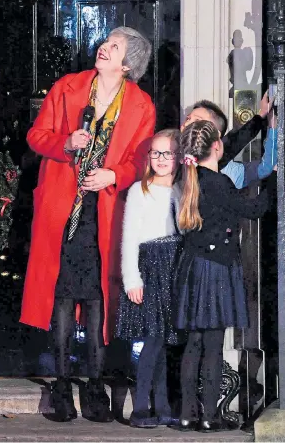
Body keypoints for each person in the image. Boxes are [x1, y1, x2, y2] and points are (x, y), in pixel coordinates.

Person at [20, 26, 155, 422]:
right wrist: (65, 143)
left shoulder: (141, 106)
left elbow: (140, 160)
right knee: (62, 297)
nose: (103, 47)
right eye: (106, 42)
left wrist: (114, 175)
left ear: (127, 65)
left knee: (96, 299)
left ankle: (93, 384)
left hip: (104, 213)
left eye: (114, 47)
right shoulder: (68, 87)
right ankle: (62, 385)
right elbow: (36, 135)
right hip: (63, 209)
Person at [171, 120, 275, 433]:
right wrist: (275, 181)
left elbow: (226, 144)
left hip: (193, 267)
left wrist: (257, 121)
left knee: (193, 344)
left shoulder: (191, 176)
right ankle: (210, 416)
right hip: (215, 269)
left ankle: (188, 414)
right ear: (216, 147)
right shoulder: (219, 184)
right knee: (213, 346)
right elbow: (255, 208)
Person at [115, 129, 183, 428]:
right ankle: (140, 407)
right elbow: (128, 237)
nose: (161, 159)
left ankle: (163, 404)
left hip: (175, 268)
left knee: (164, 340)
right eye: (156, 153)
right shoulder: (138, 191)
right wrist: (132, 278)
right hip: (150, 267)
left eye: (168, 153)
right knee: (153, 339)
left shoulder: (182, 191)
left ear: (179, 157)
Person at [180, 93, 275, 187]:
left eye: (197, 121)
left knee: (267, 167)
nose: (188, 122)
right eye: (188, 118)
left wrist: (262, 114)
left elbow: (240, 137)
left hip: (241, 175)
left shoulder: (215, 152)